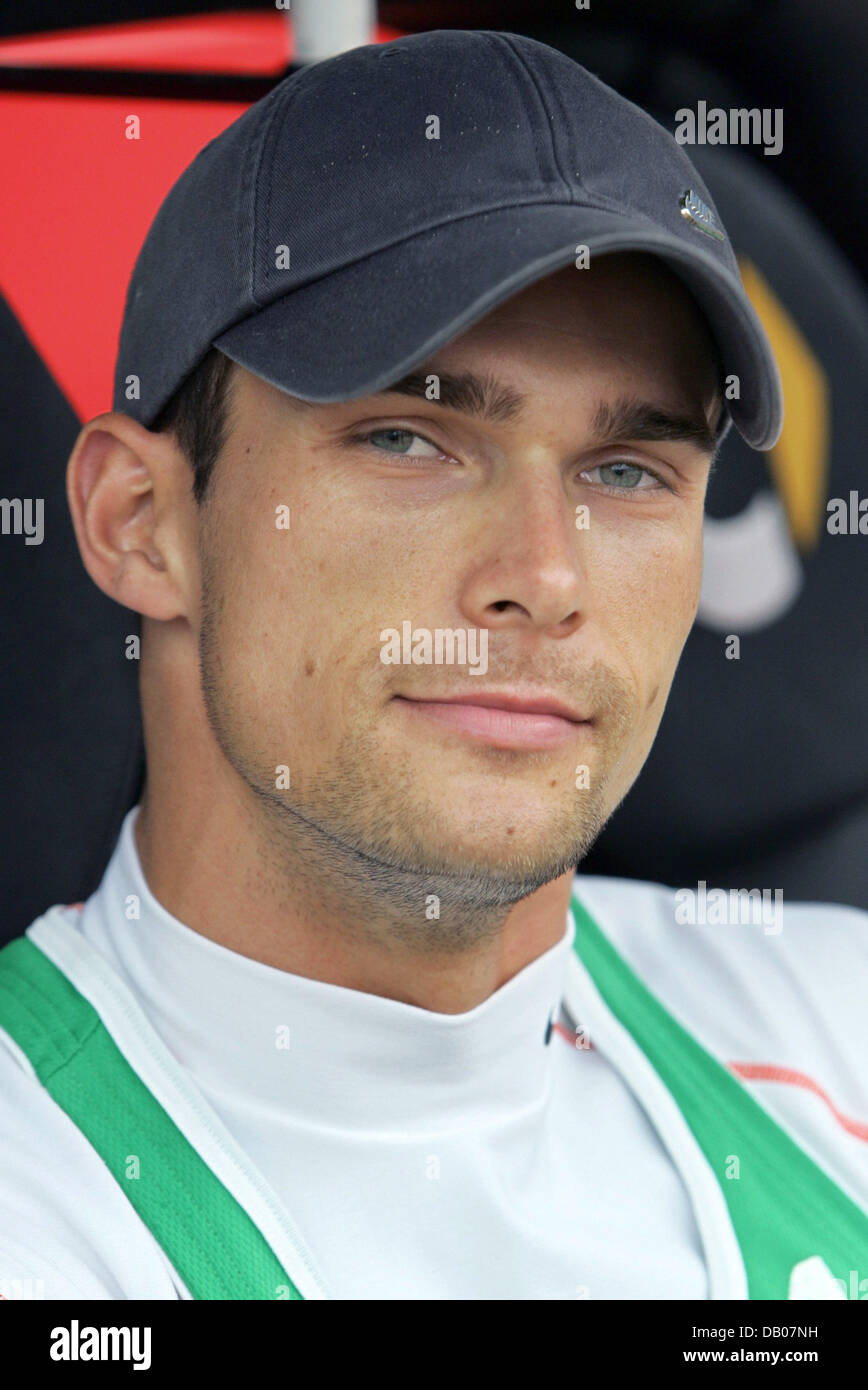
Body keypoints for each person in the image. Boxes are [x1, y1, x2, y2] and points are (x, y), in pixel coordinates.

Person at [0, 27, 865, 1302]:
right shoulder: (42, 1201)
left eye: (627, 471)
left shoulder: (831, 1015)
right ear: (141, 522)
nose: (546, 575)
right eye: (412, 441)